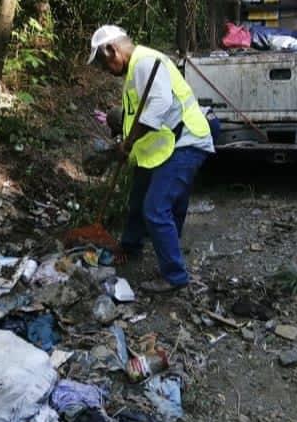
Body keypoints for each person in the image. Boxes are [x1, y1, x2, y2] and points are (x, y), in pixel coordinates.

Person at [88, 25, 215, 293]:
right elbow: (136, 114)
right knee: (139, 198)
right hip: (161, 146)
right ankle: (131, 247)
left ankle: (174, 276)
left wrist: (129, 142)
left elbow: (159, 105)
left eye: (103, 63)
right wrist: (124, 146)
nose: (105, 70)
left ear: (112, 50)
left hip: (184, 140)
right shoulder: (137, 67)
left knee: (156, 208)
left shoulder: (145, 62)